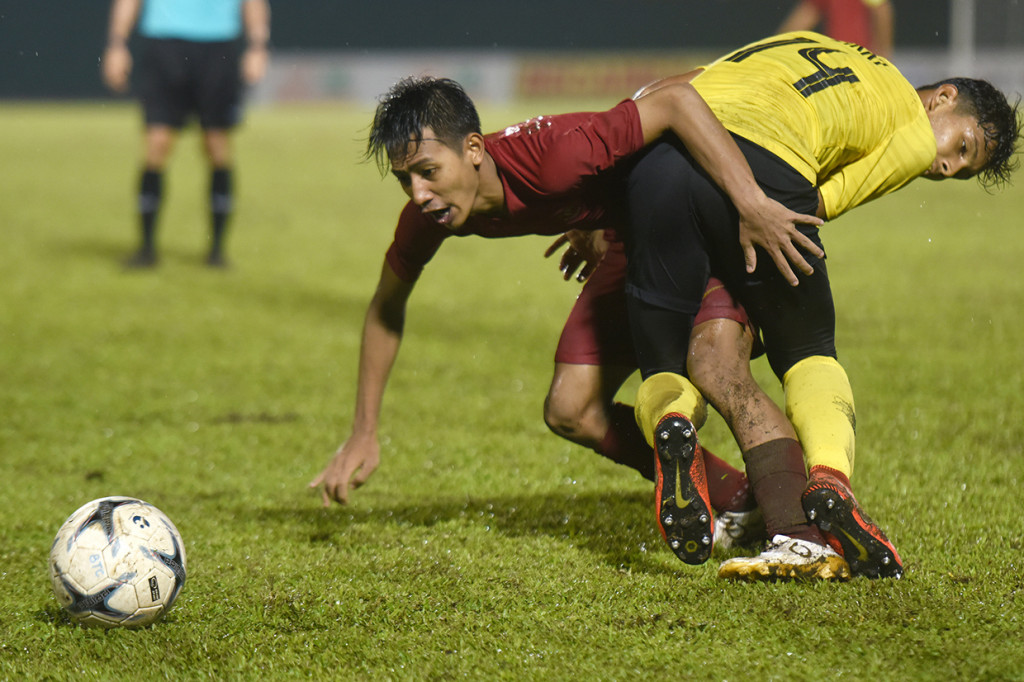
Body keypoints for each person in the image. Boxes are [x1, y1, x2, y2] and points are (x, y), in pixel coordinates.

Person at [309, 75, 847, 580]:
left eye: (428, 171)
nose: (419, 193)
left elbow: (678, 99)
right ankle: (736, 496)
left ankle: (802, 524)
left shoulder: (556, 154)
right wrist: (363, 430)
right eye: (405, 179)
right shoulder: (431, 216)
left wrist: (752, 202)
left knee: (716, 367)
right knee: (571, 409)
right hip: (628, 238)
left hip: (693, 222)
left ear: (473, 150)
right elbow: (385, 306)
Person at [621, 31, 1020, 579]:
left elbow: (678, 86)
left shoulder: (811, 41)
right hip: (766, 169)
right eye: (962, 147)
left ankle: (671, 422)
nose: (946, 165)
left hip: (662, 160)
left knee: (663, 361)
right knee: (809, 347)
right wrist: (743, 218)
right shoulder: (910, 131)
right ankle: (830, 478)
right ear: (943, 96)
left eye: (961, 168)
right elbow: (812, 207)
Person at [101, 0, 271, 268]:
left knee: (216, 144)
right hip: (164, 45)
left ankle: (216, 252)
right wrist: (116, 44)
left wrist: (258, 45)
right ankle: (146, 249)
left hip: (218, 46)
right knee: (157, 143)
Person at [778, 0, 894, 59]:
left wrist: (882, 54)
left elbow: (881, 11)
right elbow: (804, 18)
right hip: (835, 59)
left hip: (859, 57)